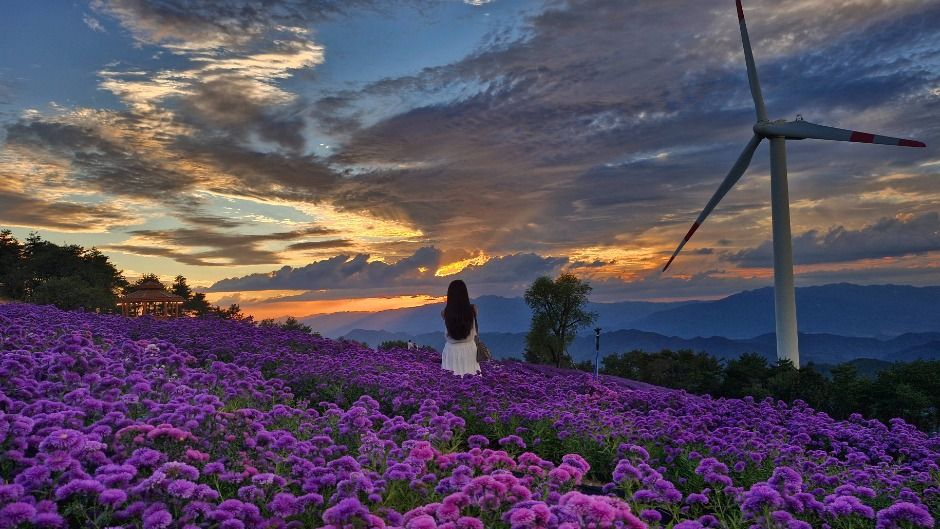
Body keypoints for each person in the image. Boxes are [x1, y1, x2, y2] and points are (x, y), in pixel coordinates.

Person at [440, 279, 480, 376]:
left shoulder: (445, 312)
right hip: (469, 349)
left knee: (450, 380)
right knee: (472, 379)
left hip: (451, 350)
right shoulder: (473, 310)